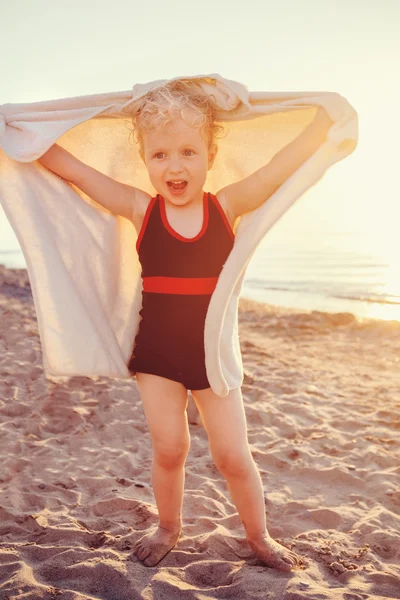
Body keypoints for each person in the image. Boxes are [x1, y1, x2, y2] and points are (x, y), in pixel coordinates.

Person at [38, 79, 331, 570]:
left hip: (211, 352)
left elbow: (280, 168)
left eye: (189, 152)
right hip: (156, 354)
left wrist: (322, 124)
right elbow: (76, 172)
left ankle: (259, 537)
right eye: (160, 155)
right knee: (170, 448)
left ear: (211, 154)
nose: (175, 166)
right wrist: (26, 137)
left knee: (232, 456)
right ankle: (169, 526)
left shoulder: (227, 206)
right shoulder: (140, 209)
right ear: (146, 160)